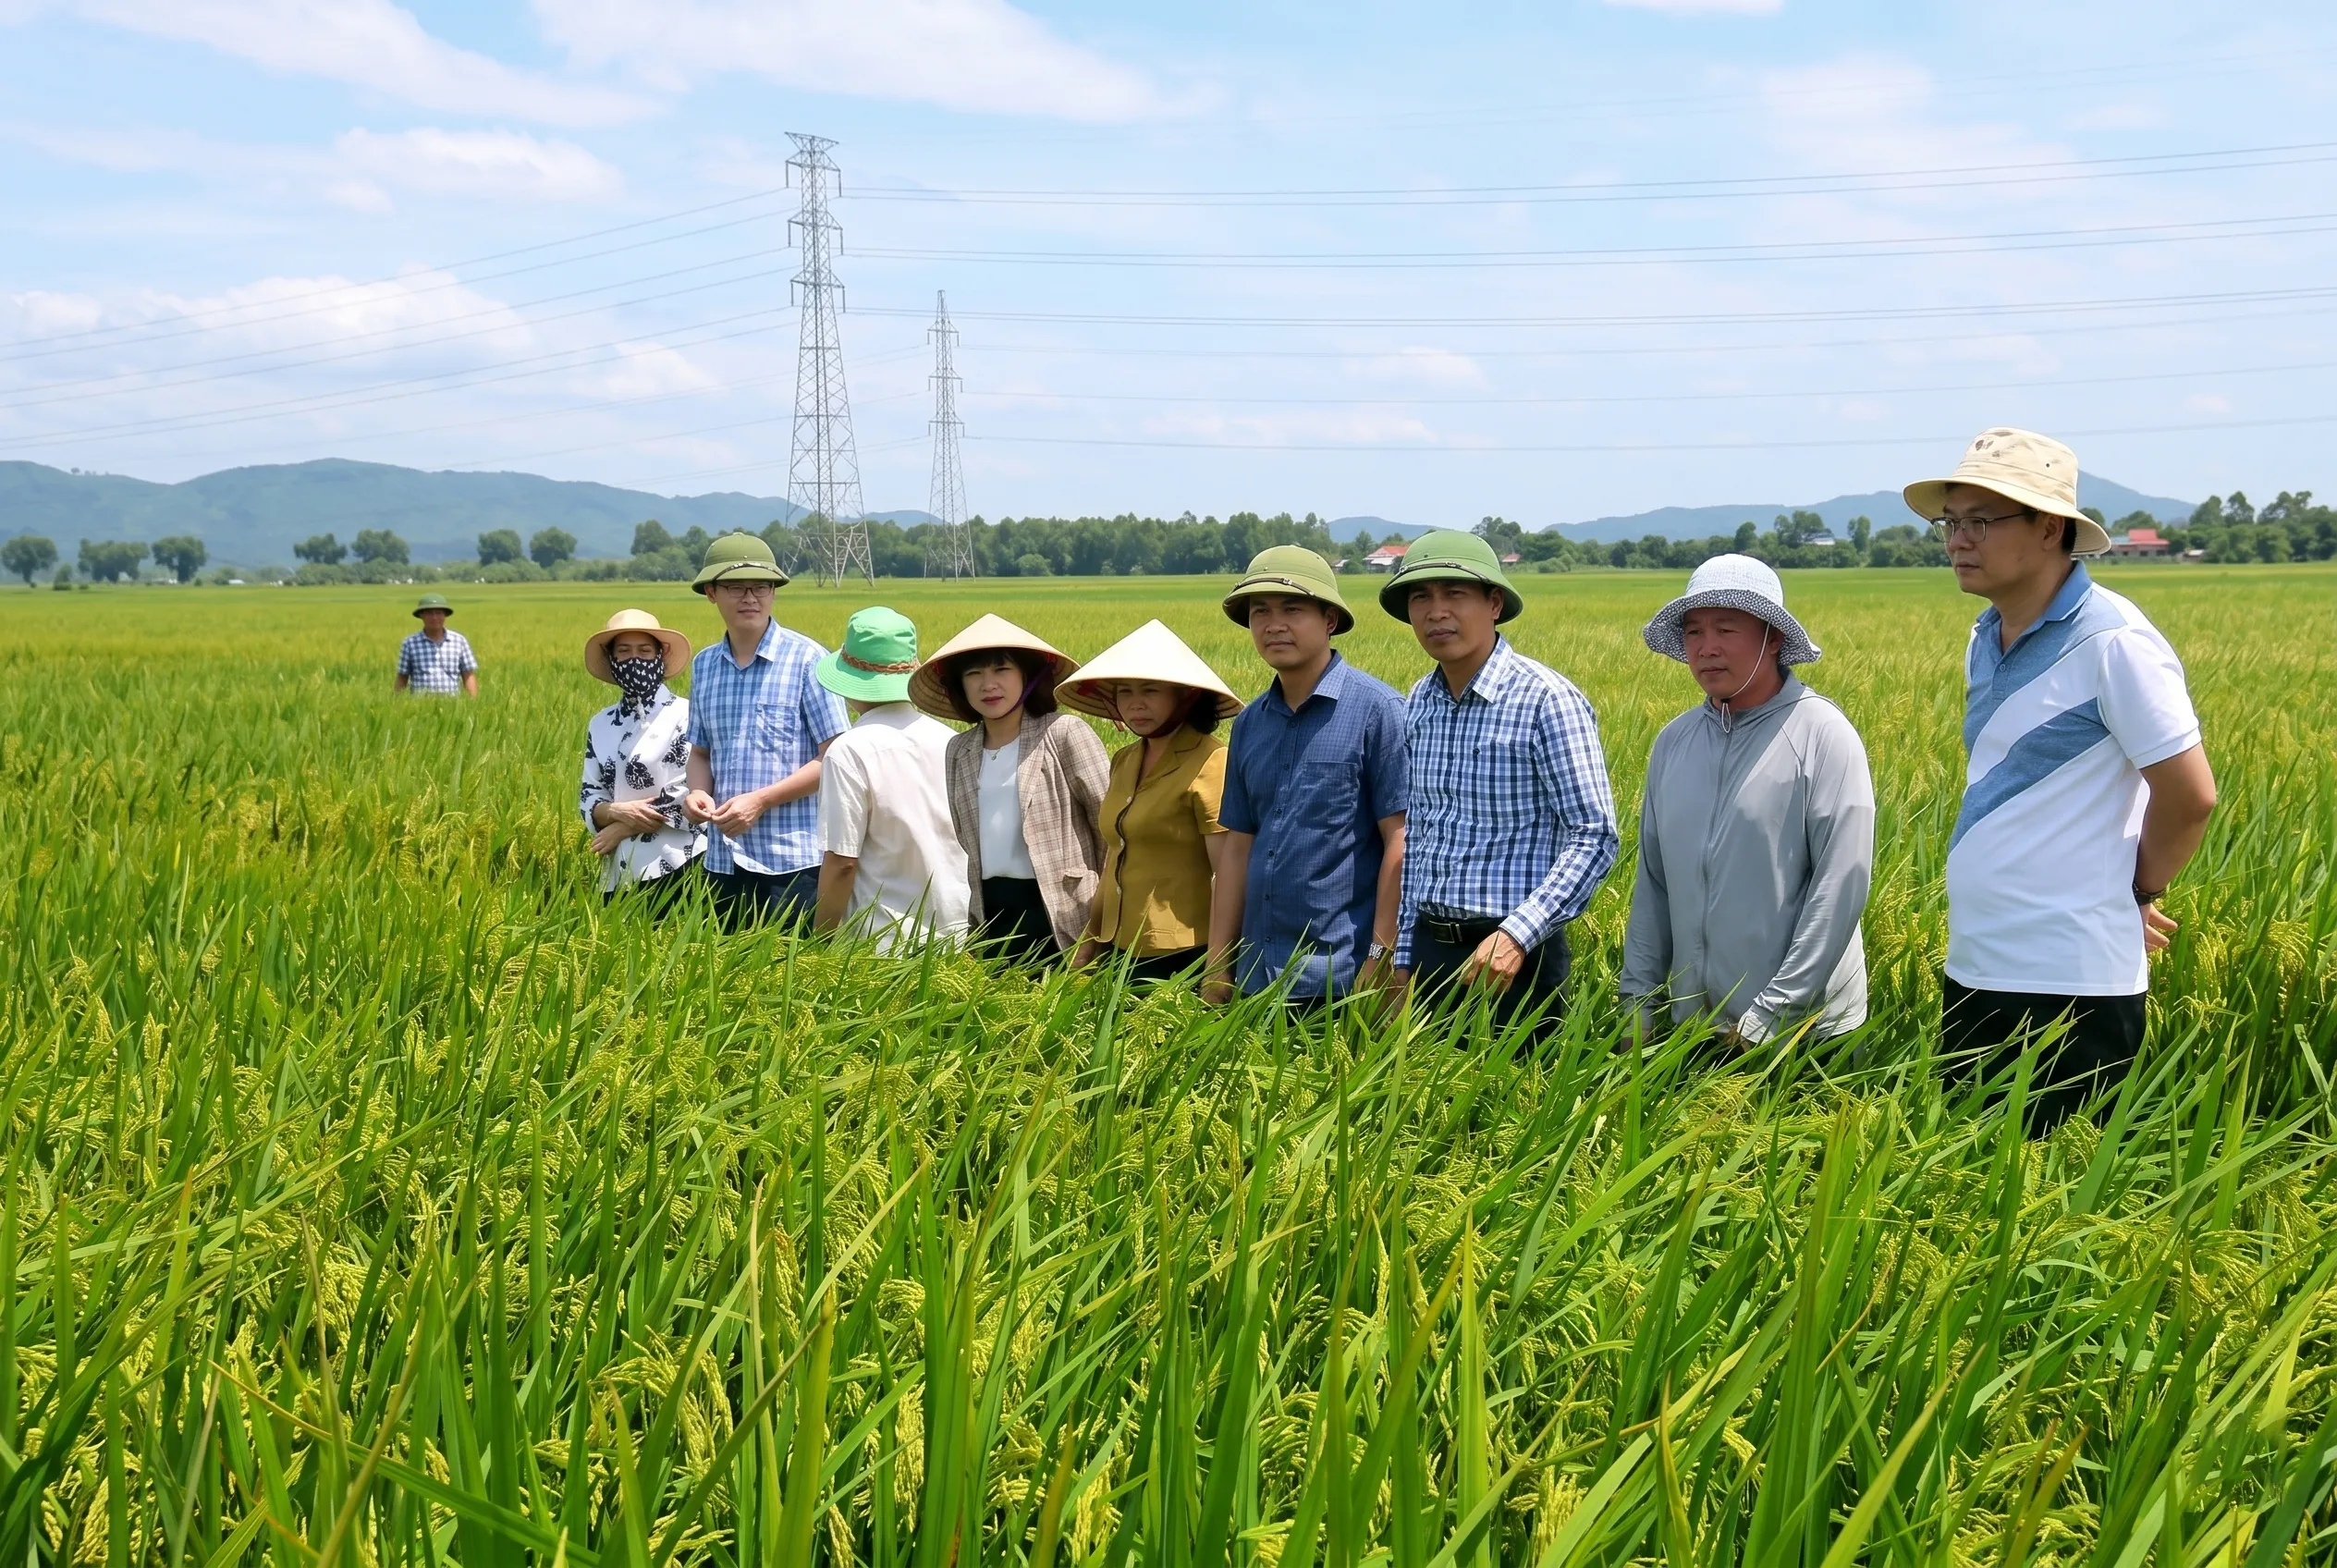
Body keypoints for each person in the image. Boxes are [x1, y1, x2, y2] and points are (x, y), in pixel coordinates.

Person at [1905, 427, 2217, 1131]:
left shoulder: (2114, 643)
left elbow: (2191, 794)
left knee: (2051, 1204)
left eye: (1981, 521)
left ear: (2050, 529)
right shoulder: (1986, 637)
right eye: (1950, 522)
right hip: (1979, 963)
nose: (1959, 539)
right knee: (1969, 1192)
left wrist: (2138, 891)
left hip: (2070, 986)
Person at [1620, 556, 1874, 1048]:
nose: (1707, 648)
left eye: (1726, 629)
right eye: (1693, 632)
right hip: (1694, 1027)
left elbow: (1839, 888)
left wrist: (1772, 1017)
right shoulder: (1674, 743)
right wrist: (1639, 1003)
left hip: (1802, 1034)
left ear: (1772, 639)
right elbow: (1654, 884)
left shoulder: (1822, 736)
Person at [1381, 532, 1619, 1035]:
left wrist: (1516, 935)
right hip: (1430, 949)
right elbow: (1421, 837)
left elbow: (1595, 835)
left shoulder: (1546, 700)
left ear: (1493, 604)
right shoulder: (1419, 701)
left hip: (1516, 958)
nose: (1436, 612)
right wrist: (1404, 957)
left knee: (1516, 1107)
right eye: (1420, 596)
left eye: (1455, 595)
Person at [1206, 546, 1408, 1008]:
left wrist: (1382, 959)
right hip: (1255, 979)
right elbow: (1238, 846)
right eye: (1261, 612)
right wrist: (1218, 966)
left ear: (1330, 621)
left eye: (1292, 609)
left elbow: (1400, 840)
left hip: (1343, 980)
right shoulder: (1249, 722)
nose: (1274, 625)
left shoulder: (1379, 712)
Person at [910, 614, 1110, 964]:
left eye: (1001, 670)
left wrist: (1101, 925)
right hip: (995, 912)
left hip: (1065, 913)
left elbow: (1111, 831)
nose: (988, 684)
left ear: (1028, 676)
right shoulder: (959, 750)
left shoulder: (1063, 733)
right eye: (973, 674)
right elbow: (970, 846)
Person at [1057, 620, 1242, 985]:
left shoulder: (1211, 761)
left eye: (1151, 690)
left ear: (1185, 695)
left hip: (1184, 953)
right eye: (1125, 692)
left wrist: (1219, 970)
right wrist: (1090, 942)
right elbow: (1115, 857)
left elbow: (1228, 872)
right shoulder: (1125, 760)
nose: (1135, 704)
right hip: (1119, 945)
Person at [680, 533, 848, 929]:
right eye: (736, 587)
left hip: (793, 863)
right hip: (723, 859)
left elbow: (835, 757)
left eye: (761, 586)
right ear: (711, 593)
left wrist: (761, 800)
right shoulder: (705, 665)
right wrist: (698, 792)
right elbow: (701, 752)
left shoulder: (808, 659)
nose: (750, 597)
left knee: (793, 978)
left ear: (774, 592)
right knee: (722, 977)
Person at [809, 607, 971, 949]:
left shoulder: (848, 751)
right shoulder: (949, 739)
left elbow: (842, 863)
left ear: (850, 680)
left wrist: (819, 942)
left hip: (883, 941)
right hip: (959, 930)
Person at [578, 609, 705, 913]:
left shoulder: (687, 714)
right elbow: (589, 792)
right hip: (618, 873)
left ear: (661, 655)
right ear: (612, 659)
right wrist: (613, 812)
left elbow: (692, 788)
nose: (635, 659)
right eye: (624, 651)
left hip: (680, 863)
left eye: (644, 651)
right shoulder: (601, 723)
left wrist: (624, 826)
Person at [395, 594, 478, 696]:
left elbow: (468, 675)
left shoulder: (459, 641)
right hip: (420, 707)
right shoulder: (409, 643)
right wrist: (396, 704)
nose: (434, 617)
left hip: (453, 707)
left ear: (445, 615)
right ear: (421, 615)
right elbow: (402, 677)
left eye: (439, 613)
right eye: (429, 613)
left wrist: (473, 704)